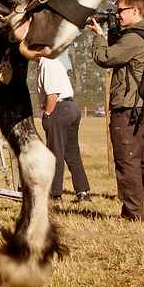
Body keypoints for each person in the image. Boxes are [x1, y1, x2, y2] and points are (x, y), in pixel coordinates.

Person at [88, 0, 144, 221]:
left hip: (127, 107)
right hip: (143, 106)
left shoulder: (133, 39)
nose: (117, 15)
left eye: (120, 10)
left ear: (135, 10)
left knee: (127, 160)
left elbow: (105, 58)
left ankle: (132, 213)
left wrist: (99, 37)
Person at [36, 56, 90, 203]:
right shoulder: (50, 61)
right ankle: (82, 191)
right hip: (71, 107)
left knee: (55, 152)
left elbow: (53, 93)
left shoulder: (47, 62)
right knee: (72, 152)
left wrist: (47, 114)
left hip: (59, 109)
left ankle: (55, 194)